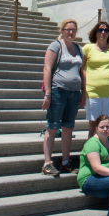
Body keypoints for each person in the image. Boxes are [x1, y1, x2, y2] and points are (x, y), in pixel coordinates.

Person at [41, 18, 86, 176]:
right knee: (52, 127)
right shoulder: (56, 45)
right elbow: (47, 69)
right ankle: (47, 163)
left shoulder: (79, 48)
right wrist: (48, 93)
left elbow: (82, 72)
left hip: (74, 93)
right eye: (68, 29)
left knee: (68, 128)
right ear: (62, 30)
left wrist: (83, 93)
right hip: (58, 91)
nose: (71, 32)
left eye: (73, 29)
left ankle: (66, 162)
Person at [83, 21, 109, 138]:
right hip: (92, 91)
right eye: (100, 30)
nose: (103, 32)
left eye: (106, 30)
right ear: (95, 33)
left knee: (107, 124)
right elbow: (82, 69)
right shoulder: (88, 48)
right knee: (93, 125)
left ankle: (106, 153)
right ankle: (92, 152)